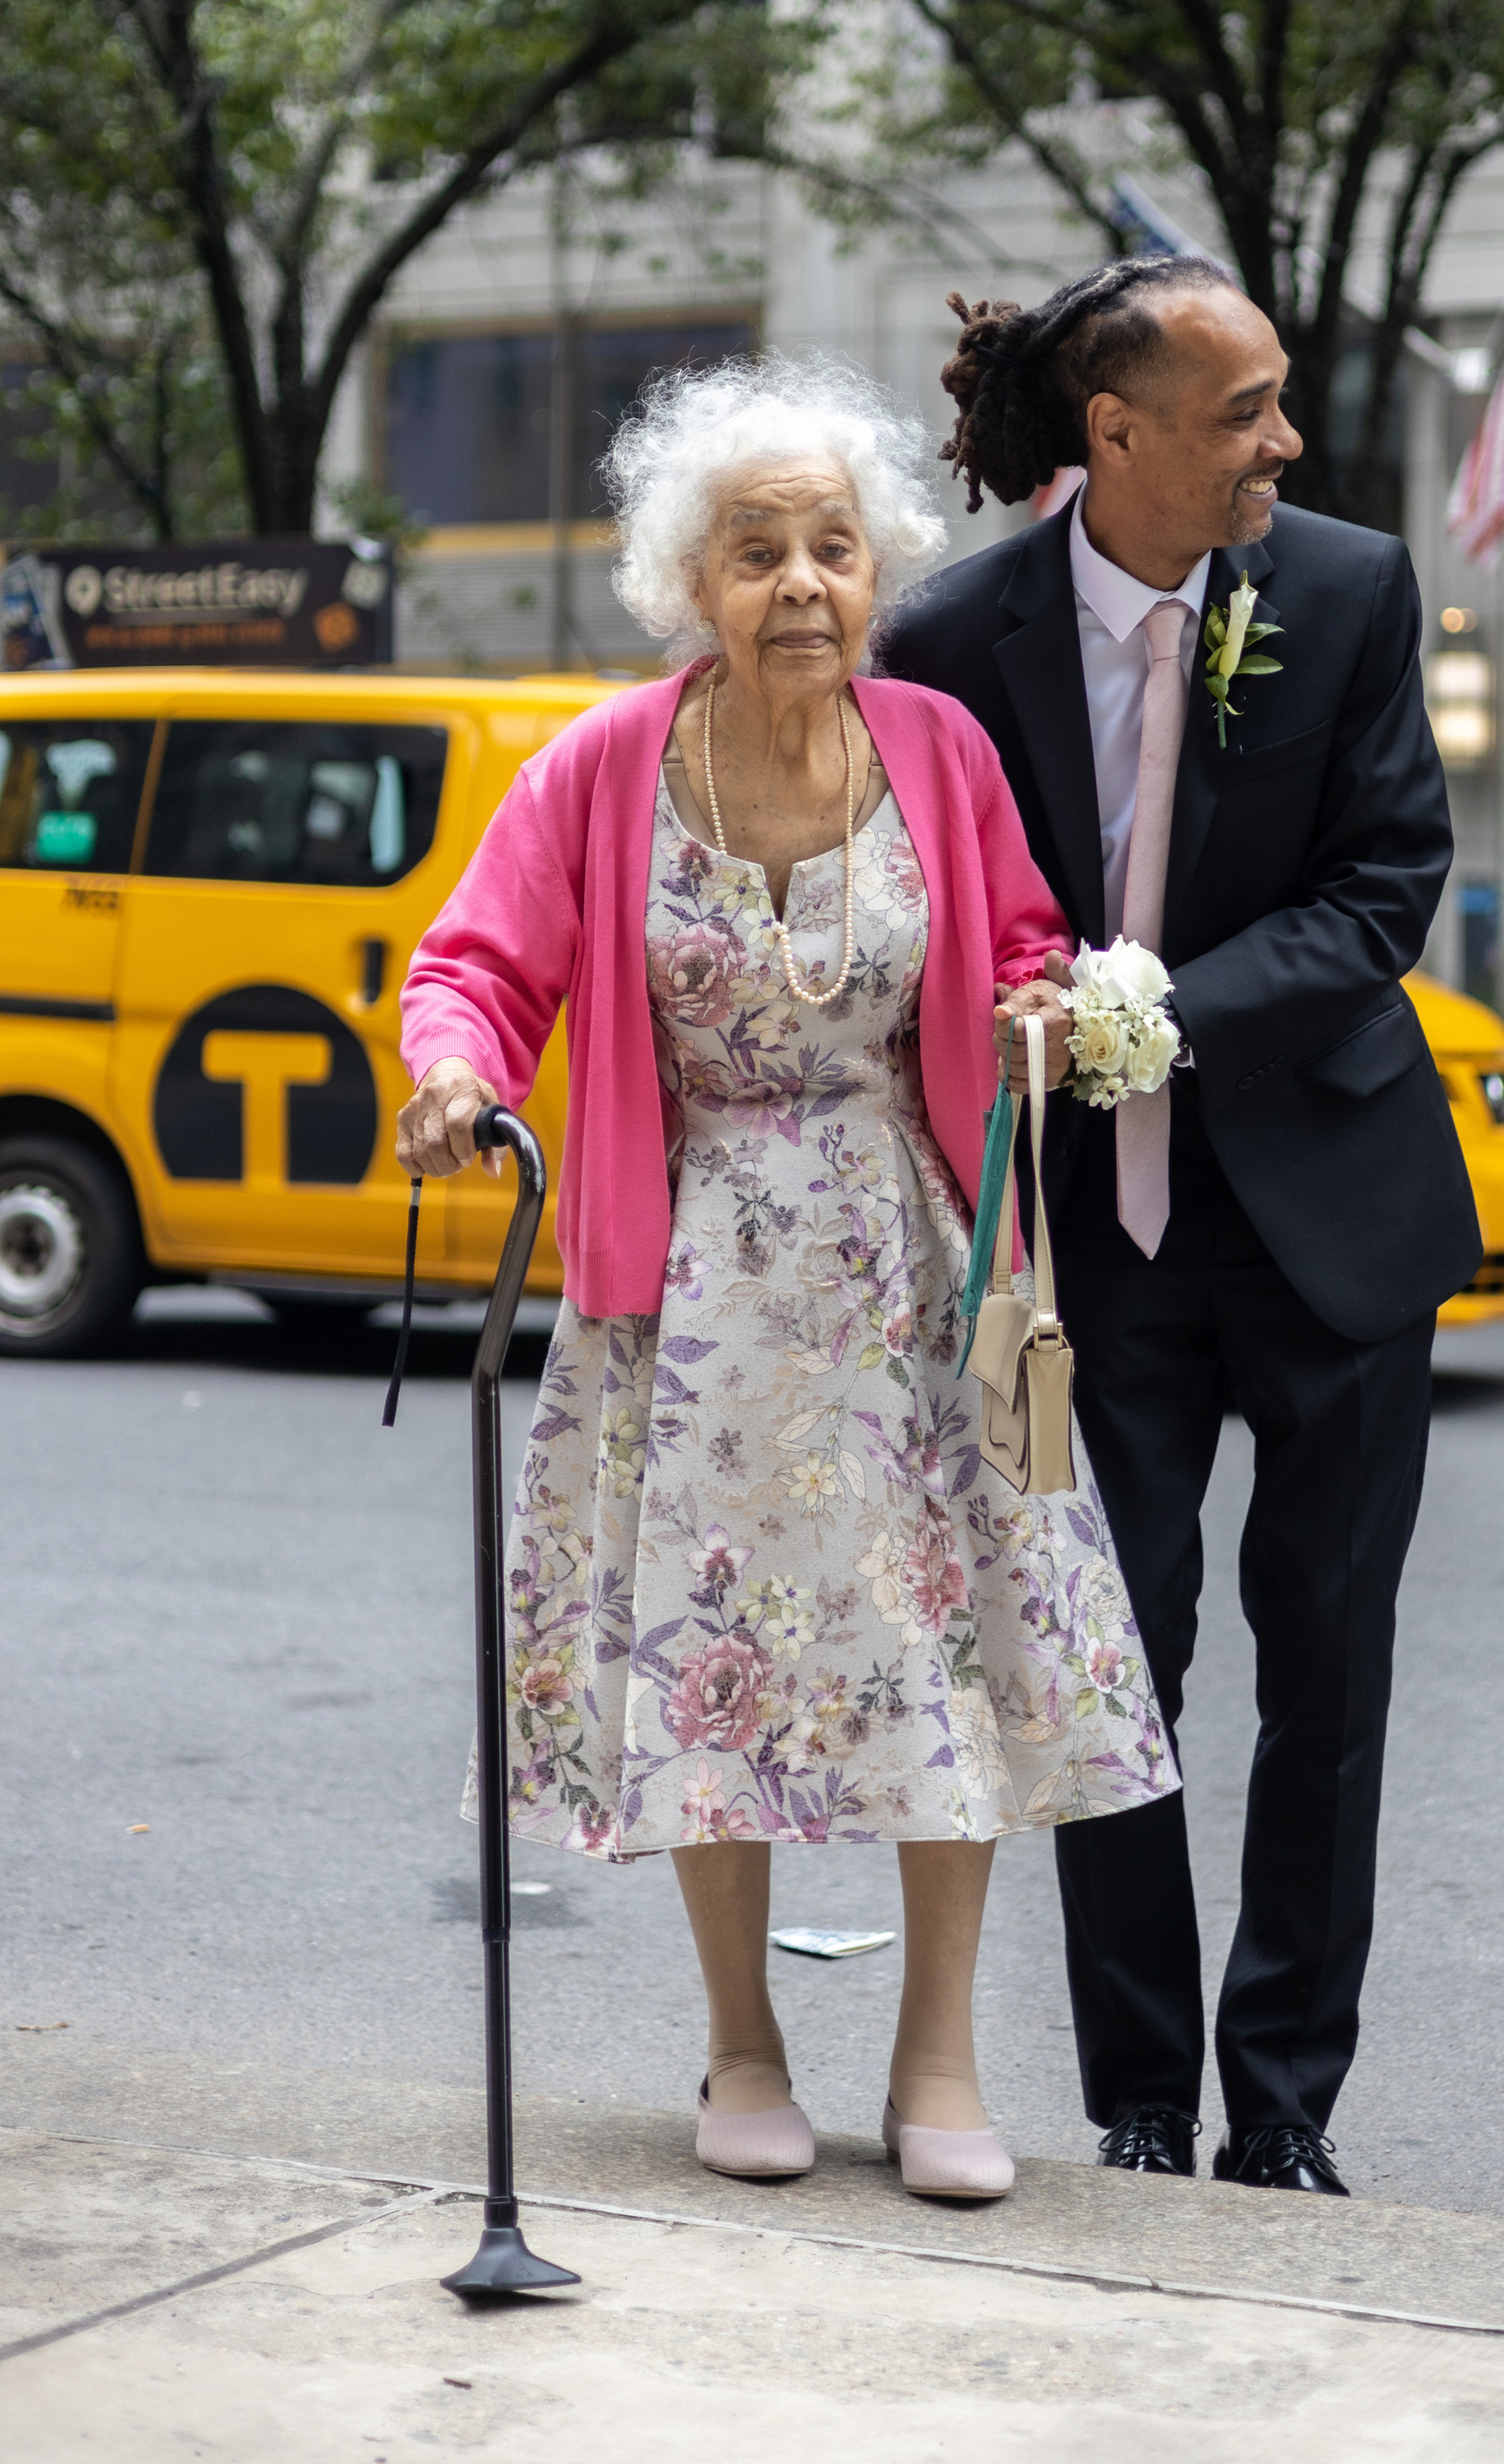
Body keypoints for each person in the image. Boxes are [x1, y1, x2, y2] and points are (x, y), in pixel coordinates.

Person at [395, 356, 1177, 2206]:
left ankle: (936, 2064)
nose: (801, 587)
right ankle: (741, 2041)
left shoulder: (938, 750)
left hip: (910, 1264)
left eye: (832, 548)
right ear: (692, 583)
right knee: (709, 1652)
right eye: (757, 554)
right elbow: (476, 969)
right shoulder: (602, 766)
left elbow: (1014, 939)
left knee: (945, 1653)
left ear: (877, 573)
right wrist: (453, 1079)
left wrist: (1056, 1005)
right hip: (684, 1286)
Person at [877, 259, 1483, 2193]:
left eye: (1281, 406)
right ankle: (1137, 2098)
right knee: (1101, 1664)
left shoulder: (1348, 589)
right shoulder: (948, 639)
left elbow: (1384, 884)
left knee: (1326, 1669)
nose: (1282, 444)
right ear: (1116, 434)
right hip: (1084, 1262)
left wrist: (1146, 1014)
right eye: (1246, 412)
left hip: (1330, 1222)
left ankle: (1283, 2103)